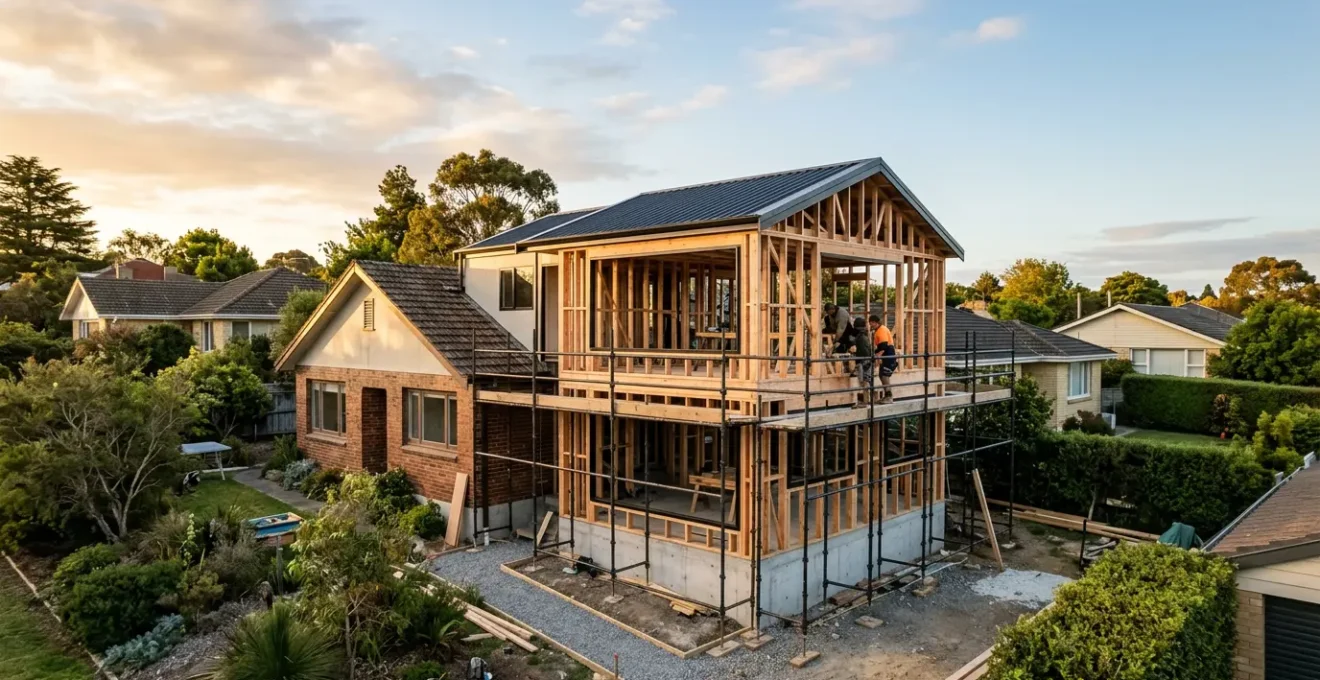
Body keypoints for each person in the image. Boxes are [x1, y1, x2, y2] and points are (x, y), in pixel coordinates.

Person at [869, 314, 897, 404]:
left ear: (875, 322)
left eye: (871, 323)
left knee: (885, 375)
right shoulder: (878, 330)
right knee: (882, 375)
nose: (870, 325)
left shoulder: (881, 330)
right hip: (886, 355)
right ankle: (887, 396)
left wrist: (877, 356)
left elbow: (884, 346)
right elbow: (880, 347)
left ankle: (889, 397)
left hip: (889, 354)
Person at [849, 317, 873, 404]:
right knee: (866, 380)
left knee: (865, 380)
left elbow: (862, 350)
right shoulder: (864, 335)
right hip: (866, 360)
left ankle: (866, 401)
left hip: (864, 361)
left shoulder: (860, 337)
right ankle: (867, 400)